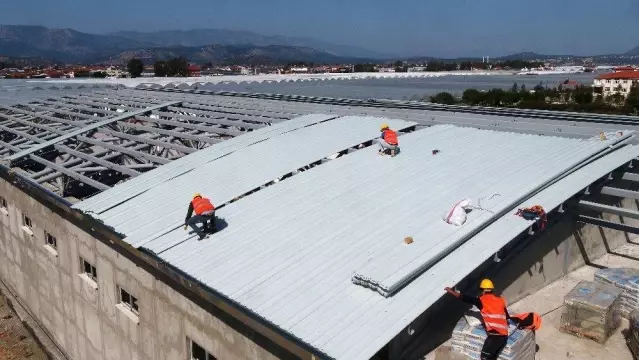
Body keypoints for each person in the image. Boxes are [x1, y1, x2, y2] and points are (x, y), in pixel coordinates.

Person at [445, 279, 519, 360]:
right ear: (492, 290)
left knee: (484, 358)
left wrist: (451, 292)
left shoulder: (481, 300)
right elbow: (507, 317)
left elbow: (465, 298)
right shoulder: (500, 300)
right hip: (503, 337)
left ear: (483, 291)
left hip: (495, 338)